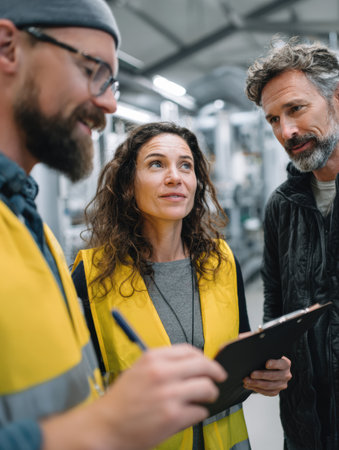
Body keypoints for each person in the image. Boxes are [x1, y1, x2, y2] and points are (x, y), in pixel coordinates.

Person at [0, 2, 233, 449]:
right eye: (92, 69)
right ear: (8, 47)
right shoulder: (85, 267)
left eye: (112, 82)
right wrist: (105, 426)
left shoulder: (34, 232)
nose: (108, 102)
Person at [72, 121, 292, 450]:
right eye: (157, 164)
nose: (175, 176)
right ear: (129, 185)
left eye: (185, 166)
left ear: (195, 184)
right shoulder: (92, 275)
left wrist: (266, 375)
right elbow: (74, 397)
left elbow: (239, 356)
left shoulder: (220, 261)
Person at [246, 39, 339, 449]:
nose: (286, 131)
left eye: (296, 109)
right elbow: (276, 308)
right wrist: (269, 364)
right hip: (304, 425)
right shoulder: (281, 206)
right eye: (273, 120)